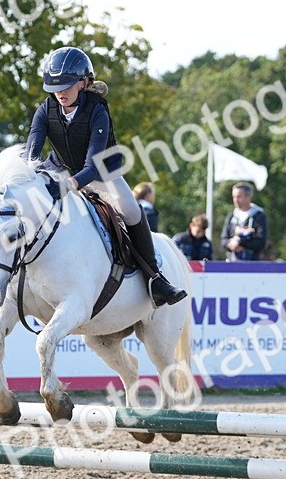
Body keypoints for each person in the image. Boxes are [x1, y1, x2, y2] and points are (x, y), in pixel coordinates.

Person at [26, 46, 185, 306]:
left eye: (66, 86)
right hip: (60, 170)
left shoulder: (97, 110)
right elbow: (31, 154)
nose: (60, 93)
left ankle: (155, 278)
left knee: (132, 211)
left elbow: (92, 164)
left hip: (101, 173)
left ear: (83, 82)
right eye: (55, 88)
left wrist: (72, 184)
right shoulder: (45, 109)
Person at [221, 182, 267, 261]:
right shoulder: (231, 216)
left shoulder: (259, 216)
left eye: (239, 197)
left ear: (248, 197)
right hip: (231, 262)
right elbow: (223, 239)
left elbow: (261, 242)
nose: (235, 200)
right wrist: (231, 244)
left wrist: (240, 243)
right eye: (234, 197)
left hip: (252, 264)